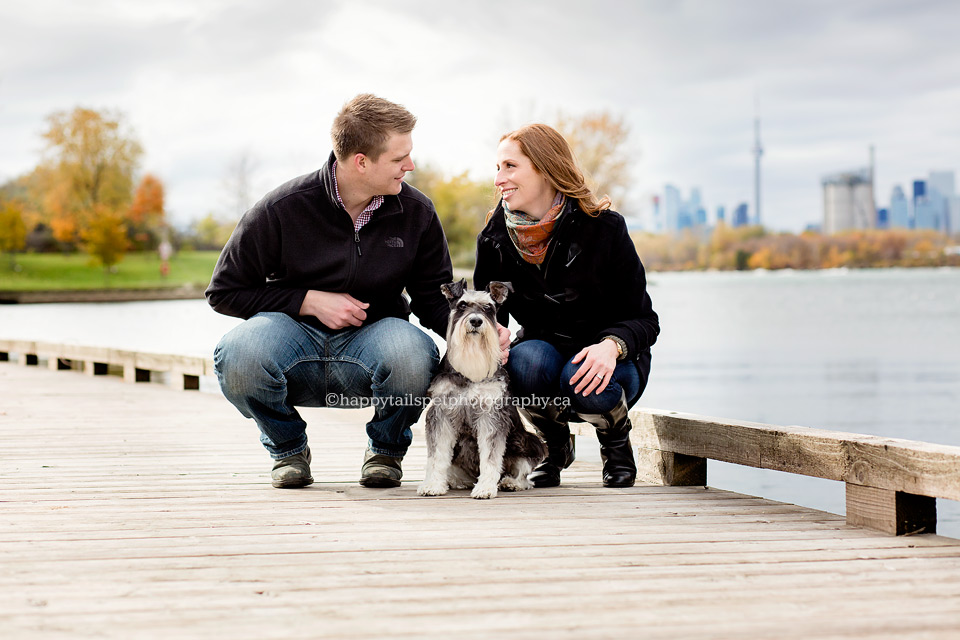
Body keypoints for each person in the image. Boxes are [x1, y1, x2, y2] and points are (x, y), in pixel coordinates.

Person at [207, 94, 453, 489]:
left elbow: (432, 298)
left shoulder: (417, 212)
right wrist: (306, 300)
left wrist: (478, 334)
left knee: (414, 354)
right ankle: (287, 449)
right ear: (361, 161)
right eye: (399, 158)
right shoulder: (282, 208)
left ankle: (385, 450)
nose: (410, 165)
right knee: (238, 354)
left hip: (374, 344)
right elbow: (224, 291)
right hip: (291, 342)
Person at [473, 123, 660, 488]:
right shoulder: (494, 240)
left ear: (544, 167)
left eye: (510, 167)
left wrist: (612, 346)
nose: (499, 179)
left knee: (580, 375)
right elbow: (486, 312)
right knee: (522, 363)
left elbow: (645, 320)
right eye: (497, 168)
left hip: (614, 364)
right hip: (545, 356)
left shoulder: (604, 229)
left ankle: (616, 445)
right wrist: (493, 332)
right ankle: (553, 447)